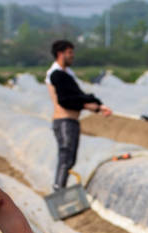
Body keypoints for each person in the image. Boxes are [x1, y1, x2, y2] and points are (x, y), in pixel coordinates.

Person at [45, 39, 111, 191]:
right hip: (64, 121)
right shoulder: (56, 74)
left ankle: (60, 188)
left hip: (71, 121)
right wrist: (90, 105)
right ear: (60, 54)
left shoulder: (67, 74)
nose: (72, 55)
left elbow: (78, 96)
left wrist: (98, 106)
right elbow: (65, 100)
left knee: (70, 159)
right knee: (66, 156)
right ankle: (59, 189)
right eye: (69, 52)